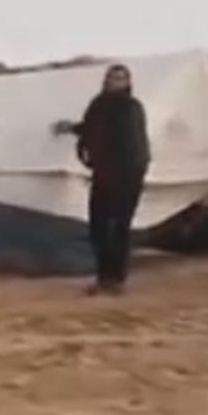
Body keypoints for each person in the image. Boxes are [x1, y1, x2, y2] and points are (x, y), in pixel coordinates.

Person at [70, 63, 149, 295]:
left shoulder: (131, 108)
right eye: (113, 77)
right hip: (103, 175)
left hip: (126, 176)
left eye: (121, 78)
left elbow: (133, 143)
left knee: (119, 228)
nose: (117, 82)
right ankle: (103, 277)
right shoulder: (98, 105)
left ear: (128, 82)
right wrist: (73, 130)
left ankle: (116, 279)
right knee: (99, 227)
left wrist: (131, 172)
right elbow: (92, 128)